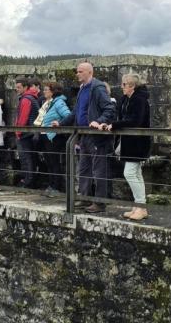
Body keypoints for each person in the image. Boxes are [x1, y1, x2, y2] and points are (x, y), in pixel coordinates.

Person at [54, 61, 116, 213]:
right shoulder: (82, 89)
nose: (77, 74)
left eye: (80, 71)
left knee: (98, 170)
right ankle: (85, 198)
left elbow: (110, 109)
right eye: (77, 71)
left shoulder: (98, 87)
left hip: (96, 136)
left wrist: (99, 121)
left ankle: (100, 203)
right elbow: (76, 113)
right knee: (84, 169)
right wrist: (61, 124)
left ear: (89, 72)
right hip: (83, 136)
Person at [102, 73, 152, 221]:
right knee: (136, 173)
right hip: (129, 141)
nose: (121, 87)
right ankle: (139, 207)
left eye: (124, 84)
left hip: (137, 142)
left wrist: (115, 125)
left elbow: (135, 120)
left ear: (131, 86)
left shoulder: (139, 99)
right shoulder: (126, 99)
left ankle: (141, 207)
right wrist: (108, 124)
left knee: (130, 173)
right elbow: (120, 116)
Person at [38, 81, 71, 198]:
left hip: (53, 137)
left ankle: (55, 187)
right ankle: (51, 186)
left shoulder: (58, 102)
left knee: (54, 162)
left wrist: (59, 123)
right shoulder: (49, 103)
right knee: (49, 163)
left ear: (53, 91)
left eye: (46, 89)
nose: (44, 91)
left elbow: (68, 115)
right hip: (47, 136)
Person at [14, 77, 42, 189]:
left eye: (19, 87)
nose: (17, 89)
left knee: (27, 158)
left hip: (26, 133)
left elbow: (23, 118)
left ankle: (28, 182)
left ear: (26, 87)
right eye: (16, 87)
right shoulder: (31, 98)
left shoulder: (26, 99)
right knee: (30, 157)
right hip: (30, 132)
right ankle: (28, 180)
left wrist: (18, 132)